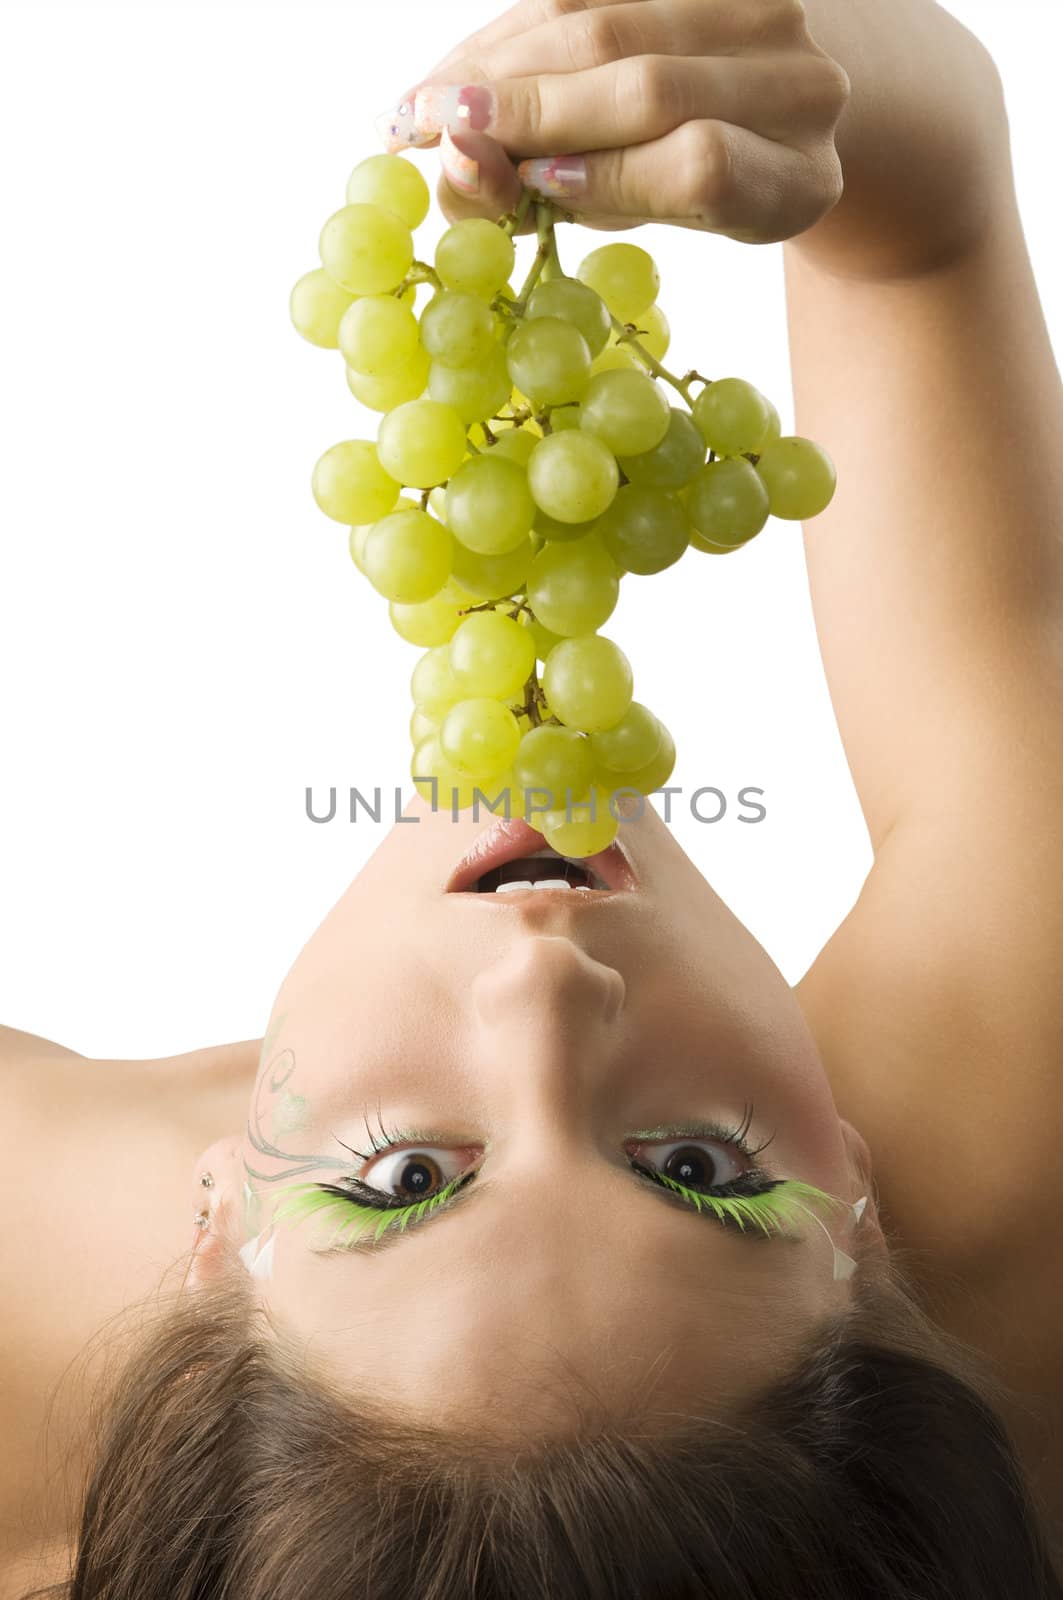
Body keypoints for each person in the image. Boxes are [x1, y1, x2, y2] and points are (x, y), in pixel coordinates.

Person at [4, 0, 1063, 1595]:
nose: (546, 984)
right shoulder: (999, 1177)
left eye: (407, 1181)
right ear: (862, 1209)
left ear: (210, 1236)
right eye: (700, 1169)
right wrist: (792, 71)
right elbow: (929, 217)